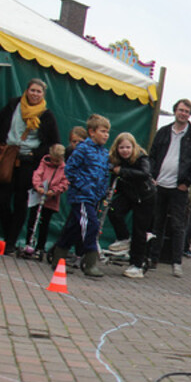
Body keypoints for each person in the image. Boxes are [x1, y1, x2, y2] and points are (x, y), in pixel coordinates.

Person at [0, 78, 60, 252]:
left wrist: (35, 154)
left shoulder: (46, 115)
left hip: (28, 162)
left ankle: (11, 242)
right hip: (7, 157)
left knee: (21, 202)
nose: (35, 94)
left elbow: (53, 142)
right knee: (1, 200)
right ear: (26, 91)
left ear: (43, 94)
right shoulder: (14, 105)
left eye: (39, 91)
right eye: (32, 90)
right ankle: (9, 236)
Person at [147, 99, 191, 278]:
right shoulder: (163, 132)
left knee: (178, 226)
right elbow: (152, 156)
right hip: (160, 184)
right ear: (175, 111)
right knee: (157, 223)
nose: (183, 114)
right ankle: (153, 258)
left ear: (190, 114)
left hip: (179, 188)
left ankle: (176, 262)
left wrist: (186, 182)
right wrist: (152, 176)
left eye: (187, 111)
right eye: (181, 110)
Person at [50, 114, 111, 278]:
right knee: (91, 225)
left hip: (95, 197)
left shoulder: (105, 153)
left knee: (74, 227)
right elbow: (70, 169)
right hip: (82, 196)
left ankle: (57, 257)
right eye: (103, 131)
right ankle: (90, 262)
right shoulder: (82, 149)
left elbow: (105, 174)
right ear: (92, 132)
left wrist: (102, 191)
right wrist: (82, 186)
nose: (106, 135)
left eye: (107, 132)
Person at [105, 133, 155, 279]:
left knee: (139, 230)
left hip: (144, 197)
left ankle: (137, 265)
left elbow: (144, 174)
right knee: (113, 210)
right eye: (122, 147)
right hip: (128, 195)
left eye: (128, 147)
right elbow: (113, 177)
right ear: (116, 148)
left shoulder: (141, 158)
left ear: (133, 147)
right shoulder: (115, 160)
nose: (125, 150)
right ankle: (123, 238)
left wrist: (122, 171)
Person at [24, 143, 69, 258]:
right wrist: (38, 186)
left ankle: (40, 247)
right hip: (38, 197)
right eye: (53, 160)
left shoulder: (64, 168)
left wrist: (54, 190)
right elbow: (37, 175)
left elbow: (64, 183)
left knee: (44, 223)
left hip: (50, 200)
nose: (54, 163)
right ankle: (28, 243)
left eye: (57, 161)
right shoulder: (44, 163)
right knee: (32, 220)